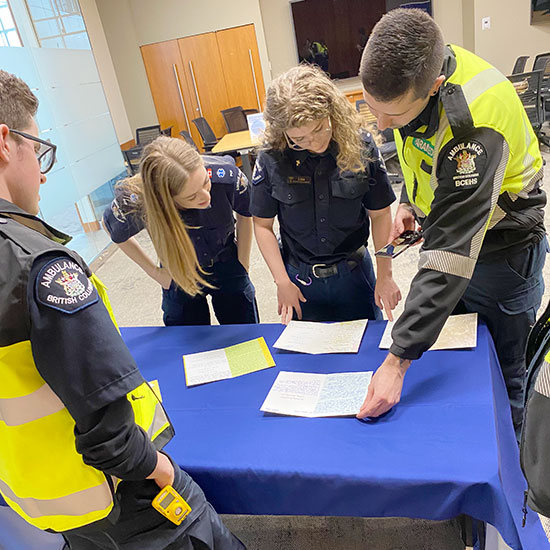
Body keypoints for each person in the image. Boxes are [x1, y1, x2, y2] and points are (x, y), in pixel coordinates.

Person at [0, 69, 244, 549]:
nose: (43, 170)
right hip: (123, 499)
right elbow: (108, 432)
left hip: (43, 499)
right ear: (7, 144)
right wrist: (160, 468)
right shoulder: (39, 268)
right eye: (38, 147)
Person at [356, 9, 547, 437]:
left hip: (504, 252)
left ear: (436, 88)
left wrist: (396, 361)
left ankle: (514, 489)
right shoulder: (419, 74)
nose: (383, 128)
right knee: (459, 364)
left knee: (506, 375)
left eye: (394, 115)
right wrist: (412, 202)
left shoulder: (473, 123)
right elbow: (423, 149)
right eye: (373, 111)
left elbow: (449, 255)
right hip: (462, 225)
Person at [250, 63, 401, 325]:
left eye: (319, 129)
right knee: (307, 360)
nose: (314, 142)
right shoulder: (272, 156)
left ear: (332, 113)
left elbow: (380, 214)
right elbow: (262, 225)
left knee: (364, 351)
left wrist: (385, 274)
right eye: (300, 139)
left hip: (354, 274)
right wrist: (281, 281)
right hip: (300, 278)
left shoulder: (359, 145)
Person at [103, 136, 258, 326]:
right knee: (187, 343)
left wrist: (243, 263)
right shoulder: (139, 198)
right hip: (178, 268)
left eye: (204, 183)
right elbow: (111, 228)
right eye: (192, 196)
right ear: (165, 199)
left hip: (226, 260)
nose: (206, 196)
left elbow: (245, 213)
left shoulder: (224, 174)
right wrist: (156, 274)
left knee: (244, 333)